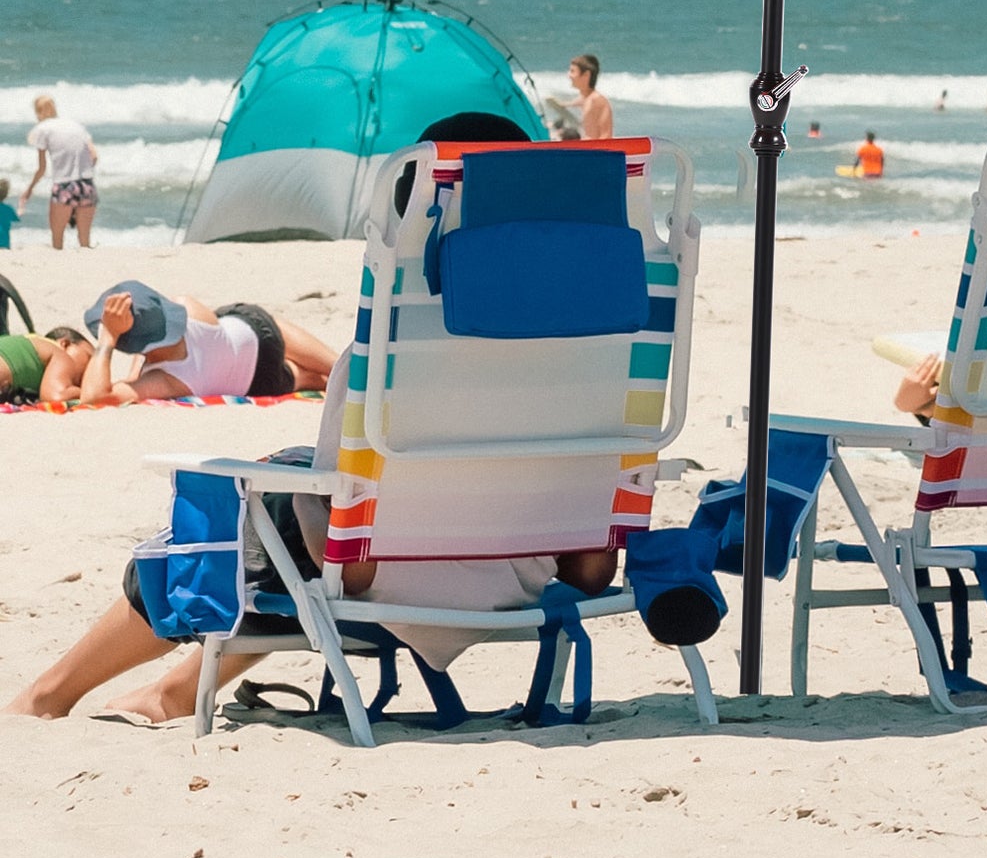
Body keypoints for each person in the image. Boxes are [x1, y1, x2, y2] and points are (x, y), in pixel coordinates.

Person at [5, 109, 616, 723]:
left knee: (244, 512)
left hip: (382, 574)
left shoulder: (390, 353)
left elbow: (335, 503)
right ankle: (176, 691)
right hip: (530, 574)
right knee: (287, 507)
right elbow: (594, 557)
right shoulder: (606, 350)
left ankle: (51, 693)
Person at [58, 282, 336, 405]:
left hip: (261, 380)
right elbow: (157, 324)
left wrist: (109, 337)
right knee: (262, 323)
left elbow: (93, 399)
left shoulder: (167, 380)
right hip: (255, 329)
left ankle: (317, 377)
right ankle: (337, 364)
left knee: (303, 377)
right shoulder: (185, 305)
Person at [19, 95, 98, 249]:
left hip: (64, 187)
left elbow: (42, 169)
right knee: (85, 244)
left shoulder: (42, 129)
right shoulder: (76, 126)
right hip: (87, 186)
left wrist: (29, 189)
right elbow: (94, 156)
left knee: (57, 243)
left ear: (38, 112)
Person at [0, 326, 92, 404]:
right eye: (89, 358)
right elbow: (56, 397)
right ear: (65, 344)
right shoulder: (60, 353)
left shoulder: (31, 345)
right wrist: (94, 390)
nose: (92, 371)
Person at [563, 53, 614, 140]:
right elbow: (579, 101)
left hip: (595, 152)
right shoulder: (586, 98)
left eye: (572, 71)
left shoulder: (598, 101)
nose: (569, 75)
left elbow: (606, 136)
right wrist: (562, 104)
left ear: (586, 75)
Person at [0, 178, 18, 248]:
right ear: (6, 194)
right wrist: (20, 208)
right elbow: (16, 219)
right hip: (5, 243)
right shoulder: (9, 209)